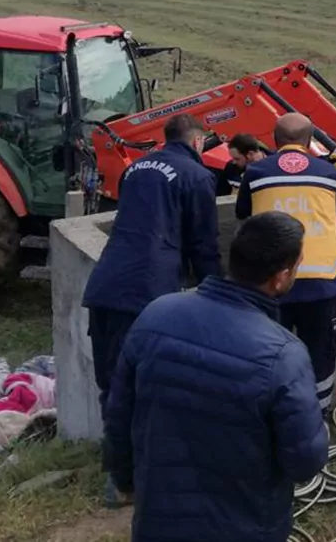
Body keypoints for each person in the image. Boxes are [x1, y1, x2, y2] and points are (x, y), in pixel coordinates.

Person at [104, 211, 329, 542]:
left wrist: (125, 481)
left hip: (159, 523)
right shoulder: (284, 354)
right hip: (246, 527)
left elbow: (119, 414)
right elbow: (304, 462)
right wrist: (319, 430)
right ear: (281, 278)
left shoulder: (156, 314)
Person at [81, 113, 221, 506]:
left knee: (111, 382)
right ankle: (136, 478)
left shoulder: (136, 167)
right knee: (145, 386)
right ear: (197, 143)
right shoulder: (197, 177)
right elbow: (203, 244)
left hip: (106, 284)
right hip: (146, 290)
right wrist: (217, 292)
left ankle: (116, 473)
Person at [236, 113, 336, 412]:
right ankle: (317, 419)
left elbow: (247, 223)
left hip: (271, 284)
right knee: (321, 356)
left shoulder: (256, 173)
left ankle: (272, 417)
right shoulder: (329, 173)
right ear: (310, 142)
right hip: (322, 284)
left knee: (268, 355)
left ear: (275, 140)